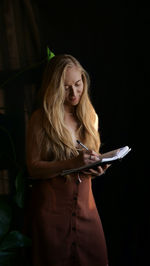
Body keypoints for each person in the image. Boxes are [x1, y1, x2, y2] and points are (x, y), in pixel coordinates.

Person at [25, 54, 109, 266]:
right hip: (51, 215)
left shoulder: (90, 116)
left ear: (83, 80)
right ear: (53, 87)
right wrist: (72, 163)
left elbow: (90, 161)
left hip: (86, 211)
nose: (74, 93)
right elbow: (34, 169)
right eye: (66, 87)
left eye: (78, 84)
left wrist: (97, 168)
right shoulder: (40, 120)